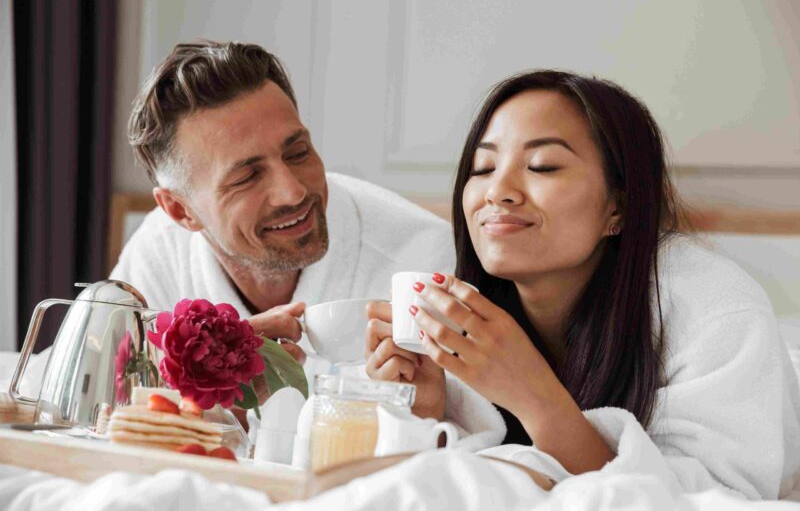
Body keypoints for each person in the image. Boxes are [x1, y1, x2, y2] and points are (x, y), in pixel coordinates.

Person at [365, 70, 800, 499]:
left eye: (543, 165)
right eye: (483, 167)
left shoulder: (714, 305)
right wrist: (424, 414)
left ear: (619, 207)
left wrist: (533, 396)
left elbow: (709, 499)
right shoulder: (459, 306)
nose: (497, 191)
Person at [111, 40, 455, 416]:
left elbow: (475, 455)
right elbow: (84, 415)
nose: (293, 192)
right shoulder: (160, 252)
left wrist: (420, 415)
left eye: (298, 153)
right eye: (246, 177)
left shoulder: (422, 262)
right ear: (180, 210)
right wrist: (222, 411)